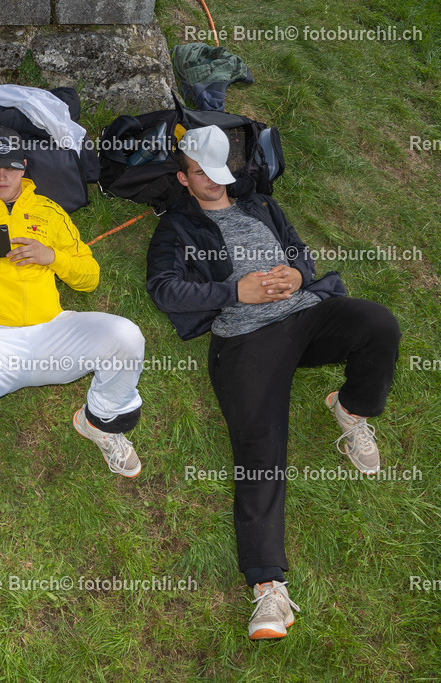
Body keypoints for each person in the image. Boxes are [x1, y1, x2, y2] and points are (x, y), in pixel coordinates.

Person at [146, 125, 401, 639]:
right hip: (245, 338)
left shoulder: (261, 205)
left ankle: (351, 409)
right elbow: (164, 290)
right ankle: (268, 589)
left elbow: (301, 254)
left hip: (306, 316)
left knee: (378, 324)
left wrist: (298, 277)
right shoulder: (176, 227)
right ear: (184, 177)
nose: (214, 184)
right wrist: (233, 290)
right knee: (261, 446)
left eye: (220, 173)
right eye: (200, 174)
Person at [0, 127, 146, 520]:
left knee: (126, 334)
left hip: (51, 330)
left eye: (10, 167)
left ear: (24, 169)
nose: (1, 176)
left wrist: (51, 256)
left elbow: (90, 277)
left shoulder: (50, 212)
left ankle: (102, 421)